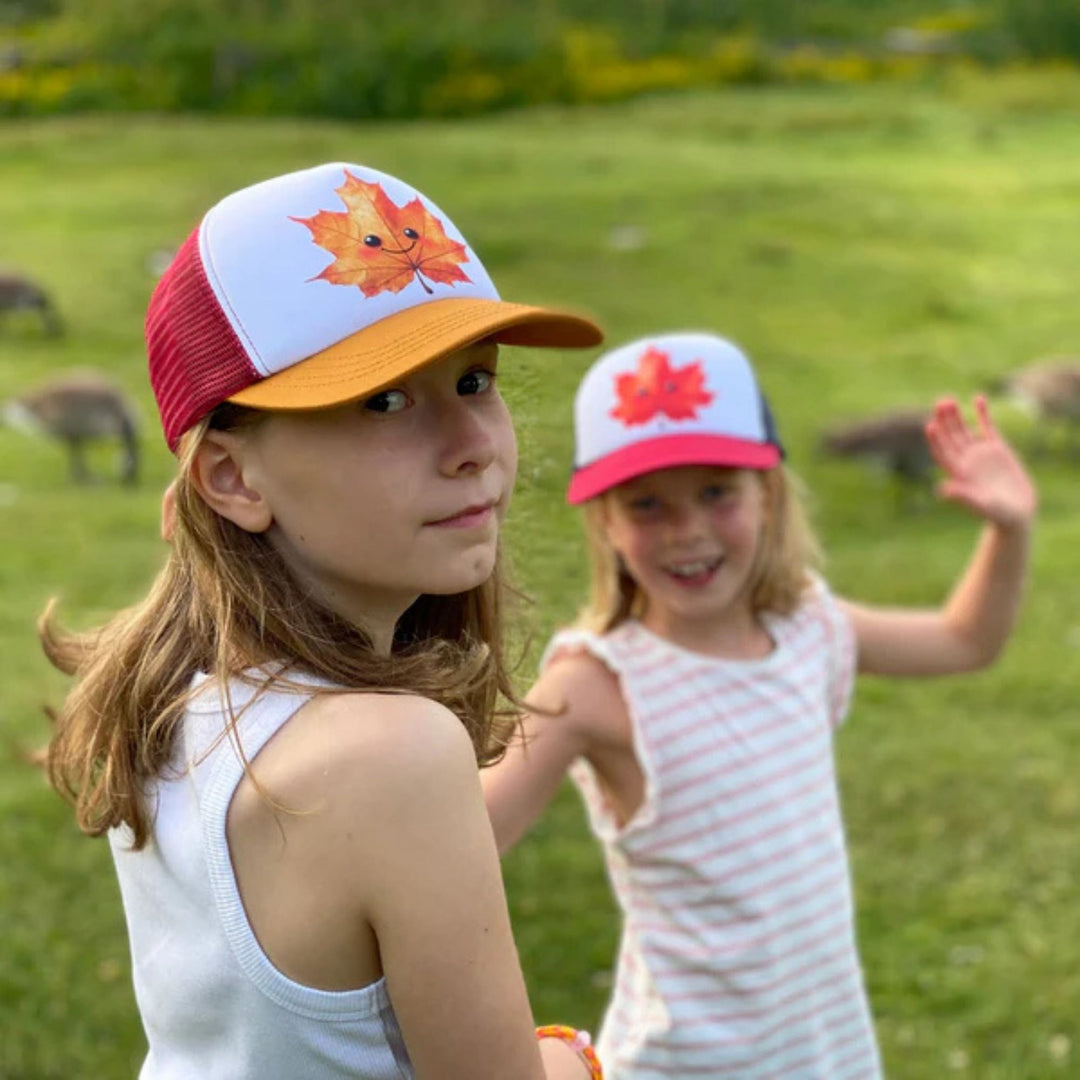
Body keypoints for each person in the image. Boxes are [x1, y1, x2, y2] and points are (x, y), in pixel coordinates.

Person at [40, 161, 607, 1080]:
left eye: (474, 382)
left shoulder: (175, 703)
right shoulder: (394, 753)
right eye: (383, 401)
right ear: (231, 477)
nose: (472, 447)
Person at [482, 332, 1037, 1078]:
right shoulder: (596, 684)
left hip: (826, 1053)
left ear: (766, 494)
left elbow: (965, 641)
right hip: (686, 1064)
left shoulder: (809, 629)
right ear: (606, 523)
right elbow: (465, 844)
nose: (687, 531)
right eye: (647, 504)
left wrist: (1010, 528)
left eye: (717, 492)